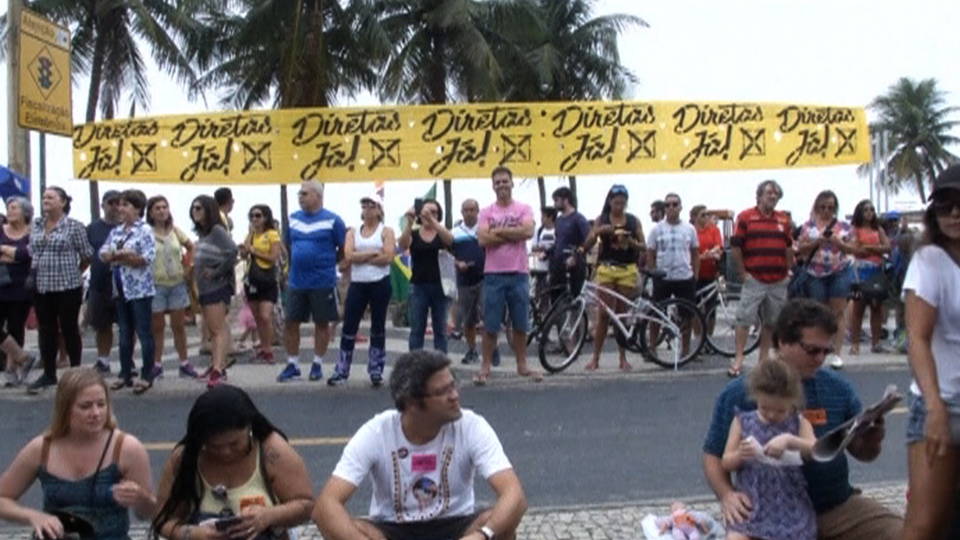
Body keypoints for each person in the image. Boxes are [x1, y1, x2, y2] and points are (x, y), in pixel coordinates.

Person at [702, 298, 901, 540]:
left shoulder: (838, 388)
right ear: (783, 342)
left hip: (835, 506)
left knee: (904, 532)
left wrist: (873, 436)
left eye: (826, 351)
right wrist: (727, 495)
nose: (820, 358)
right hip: (768, 510)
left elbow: (864, 454)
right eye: (812, 350)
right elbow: (713, 455)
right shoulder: (742, 391)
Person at [313, 350, 528, 540]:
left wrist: (483, 535)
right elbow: (325, 506)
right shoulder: (377, 432)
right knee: (354, 528)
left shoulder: (471, 426)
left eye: (453, 385)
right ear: (412, 404)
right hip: (392, 528)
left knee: (498, 523)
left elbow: (514, 495)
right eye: (442, 392)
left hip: (456, 525)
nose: (454, 396)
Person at [0, 367, 156, 539]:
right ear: (66, 409)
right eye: (85, 406)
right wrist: (34, 516)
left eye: (101, 404)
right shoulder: (41, 449)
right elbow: (3, 498)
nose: (95, 413)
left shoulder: (126, 448)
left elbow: (148, 513)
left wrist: (141, 498)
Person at [152, 385, 314, 540]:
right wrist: (193, 534)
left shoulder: (272, 451)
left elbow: (306, 505)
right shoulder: (184, 459)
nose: (225, 452)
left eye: (235, 444)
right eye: (214, 446)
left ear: (249, 429)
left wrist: (268, 516)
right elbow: (162, 520)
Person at [901, 165, 960, 539]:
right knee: (925, 524)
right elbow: (917, 338)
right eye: (944, 205)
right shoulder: (930, 261)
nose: (953, 214)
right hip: (944, 404)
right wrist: (935, 407)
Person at [720, 358, 816, 539]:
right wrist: (740, 454)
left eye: (780, 411)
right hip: (753, 501)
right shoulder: (743, 421)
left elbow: (816, 449)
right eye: (764, 408)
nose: (772, 415)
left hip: (788, 503)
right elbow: (726, 461)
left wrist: (790, 440)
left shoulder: (798, 422)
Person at [475, 166, 543, 385]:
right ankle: (485, 366)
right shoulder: (486, 212)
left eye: (505, 181)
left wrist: (499, 232)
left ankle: (522, 364)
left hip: (519, 273)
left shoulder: (524, 208)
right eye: (498, 182)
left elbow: (528, 232)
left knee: (520, 323)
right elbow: (483, 240)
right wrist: (512, 235)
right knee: (491, 324)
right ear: (493, 186)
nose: (502, 185)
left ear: (512, 183)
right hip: (493, 274)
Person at [27, 187, 94, 394]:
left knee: (69, 328)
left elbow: (87, 254)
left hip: (67, 286)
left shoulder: (73, 227)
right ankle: (49, 373)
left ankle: (75, 372)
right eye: (44, 197)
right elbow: (33, 250)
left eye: (50, 197)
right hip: (42, 285)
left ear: (63, 202)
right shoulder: (37, 224)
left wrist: (75, 271)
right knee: (46, 330)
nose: (45, 200)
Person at [277, 180, 346, 383]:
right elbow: (288, 245)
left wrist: (335, 270)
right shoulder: (293, 219)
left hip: (322, 281)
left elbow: (342, 249)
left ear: (318, 196)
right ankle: (293, 364)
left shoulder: (333, 220)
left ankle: (317, 363)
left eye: (305, 194)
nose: (300, 197)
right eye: (299, 194)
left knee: (321, 323)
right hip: (297, 281)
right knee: (291, 322)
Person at [729, 180, 793, 377]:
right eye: (768, 193)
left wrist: (789, 270)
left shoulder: (783, 220)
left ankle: (763, 358)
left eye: (776, 194)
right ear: (759, 196)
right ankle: (739, 357)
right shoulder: (746, 217)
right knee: (744, 318)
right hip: (754, 277)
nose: (772, 197)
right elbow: (736, 246)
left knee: (771, 321)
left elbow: (788, 247)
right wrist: (742, 273)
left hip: (778, 279)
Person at [329, 194, 395, 387]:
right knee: (349, 325)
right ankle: (342, 369)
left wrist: (361, 257)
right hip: (358, 283)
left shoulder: (386, 231)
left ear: (378, 209)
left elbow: (389, 256)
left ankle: (376, 368)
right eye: (364, 204)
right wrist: (374, 253)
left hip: (380, 282)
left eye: (371, 205)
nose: (367, 208)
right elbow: (348, 254)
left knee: (378, 326)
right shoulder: (353, 232)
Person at [581, 184, 645, 371]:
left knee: (621, 314)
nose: (619, 207)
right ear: (610, 202)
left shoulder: (633, 221)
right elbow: (590, 240)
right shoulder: (602, 219)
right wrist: (599, 232)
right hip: (607, 268)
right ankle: (595, 358)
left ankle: (622, 357)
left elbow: (643, 246)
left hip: (627, 269)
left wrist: (630, 241)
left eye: (622, 204)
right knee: (604, 313)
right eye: (616, 203)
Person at [100, 189, 157, 395]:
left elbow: (146, 258)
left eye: (125, 205)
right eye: (119, 205)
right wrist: (121, 255)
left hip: (139, 289)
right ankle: (125, 373)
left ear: (137, 209)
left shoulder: (145, 231)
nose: (120, 209)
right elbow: (104, 254)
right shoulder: (116, 231)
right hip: (120, 288)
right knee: (124, 333)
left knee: (143, 331)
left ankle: (147, 374)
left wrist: (122, 256)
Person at [796, 190, 855, 369]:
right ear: (816, 207)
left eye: (830, 207)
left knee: (838, 312)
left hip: (839, 270)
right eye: (822, 207)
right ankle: (818, 348)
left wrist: (839, 243)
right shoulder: (807, 227)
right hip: (815, 273)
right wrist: (817, 242)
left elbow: (853, 249)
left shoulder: (844, 227)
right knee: (818, 313)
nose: (826, 211)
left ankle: (837, 353)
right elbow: (800, 250)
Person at [147, 195, 199, 378]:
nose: (162, 211)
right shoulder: (147, 232)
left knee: (179, 325)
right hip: (156, 284)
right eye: (157, 208)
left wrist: (188, 266)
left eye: (164, 207)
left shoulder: (175, 231)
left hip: (176, 282)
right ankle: (157, 363)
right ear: (151, 213)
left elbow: (191, 246)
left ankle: (184, 362)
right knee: (157, 326)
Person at [190, 195, 238, 388]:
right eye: (193, 209)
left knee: (217, 330)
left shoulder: (217, 231)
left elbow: (232, 251)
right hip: (204, 287)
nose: (195, 212)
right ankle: (218, 365)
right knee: (214, 328)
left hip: (216, 287)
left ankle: (218, 369)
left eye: (199, 208)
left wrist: (217, 272)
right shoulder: (203, 235)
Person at [646, 192, 699, 358]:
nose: (671, 207)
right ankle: (652, 348)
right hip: (663, 277)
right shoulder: (656, 229)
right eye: (667, 205)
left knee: (686, 316)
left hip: (684, 276)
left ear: (681, 207)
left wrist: (695, 274)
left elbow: (695, 252)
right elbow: (650, 252)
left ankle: (685, 350)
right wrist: (653, 271)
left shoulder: (689, 229)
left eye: (675, 204)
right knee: (656, 314)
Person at [399, 199, 453, 353]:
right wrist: (409, 223)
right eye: (427, 211)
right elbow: (402, 245)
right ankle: (415, 364)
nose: (430, 215)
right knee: (417, 329)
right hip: (418, 286)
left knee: (440, 330)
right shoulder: (414, 234)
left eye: (434, 212)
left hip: (441, 286)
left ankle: (441, 364)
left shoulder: (441, 232)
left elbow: (450, 241)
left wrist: (433, 221)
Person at [847, 199, 892, 356]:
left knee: (877, 307)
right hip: (860, 272)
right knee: (858, 308)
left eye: (872, 210)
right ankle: (855, 344)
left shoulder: (878, 229)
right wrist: (876, 250)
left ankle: (876, 342)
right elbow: (856, 250)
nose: (869, 213)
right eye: (866, 210)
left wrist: (869, 248)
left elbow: (888, 247)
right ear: (860, 212)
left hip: (876, 271)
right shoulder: (855, 229)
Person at [239, 204, 282, 364]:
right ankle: (263, 348)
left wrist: (254, 251)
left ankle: (269, 349)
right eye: (252, 216)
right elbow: (244, 255)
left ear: (265, 217)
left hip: (267, 279)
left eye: (258, 216)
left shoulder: (272, 234)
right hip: (252, 279)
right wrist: (245, 249)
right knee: (257, 318)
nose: (255, 219)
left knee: (265, 316)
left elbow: (273, 256)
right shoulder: (250, 235)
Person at [86, 190, 123, 375]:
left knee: (127, 325)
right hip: (99, 284)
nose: (115, 207)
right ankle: (103, 360)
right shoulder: (92, 228)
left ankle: (128, 360)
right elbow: (85, 255)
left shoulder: (128, 228)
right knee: (102, 325)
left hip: (123, 285)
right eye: (111, 203)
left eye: (119, 203)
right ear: (103, 205)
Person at [0, 196, 35, 386]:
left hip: (21, 287)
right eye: (8, 207)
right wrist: (15, 256)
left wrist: (5, 251)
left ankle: (12, 370)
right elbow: (20, 256)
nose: (10, 211)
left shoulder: (32, 233)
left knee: (16, 327)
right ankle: (23, 357)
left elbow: (28, 255)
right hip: (1, 284)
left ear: (25, 212)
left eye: (14, 208)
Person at [452, 199, 486, 365]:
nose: (469, 213)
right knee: (468, 319)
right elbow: (448, 255)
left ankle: (491, 350)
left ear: (478, 211)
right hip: (464, 281)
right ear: (461, 212)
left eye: (472, 209)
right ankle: (472, 350)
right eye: (466, 210)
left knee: (488, 317)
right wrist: (458, 263)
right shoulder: (454, 232)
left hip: (485, 278)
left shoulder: (485, 229)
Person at [549, 187, 590, 301]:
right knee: (555, 297)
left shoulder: (579, 219)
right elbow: (558, 241)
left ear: (565, 200)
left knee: (573, 299)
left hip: (575, 266)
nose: (555, 204)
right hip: (558, 265)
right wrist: (547, 252)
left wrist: (576, 257)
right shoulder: (559, 220)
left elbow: (588, 241)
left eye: (556, 200)